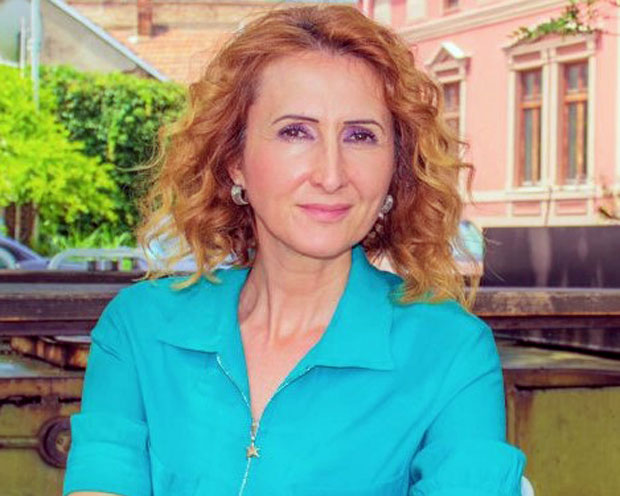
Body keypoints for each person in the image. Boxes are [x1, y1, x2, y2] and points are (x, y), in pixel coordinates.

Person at [63, 4, 527, 496]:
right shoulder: (140, 327)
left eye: (360, 136)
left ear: (396, 167)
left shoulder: (450, 350)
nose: (331, 174)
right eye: (295, 131)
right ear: (235, 160)